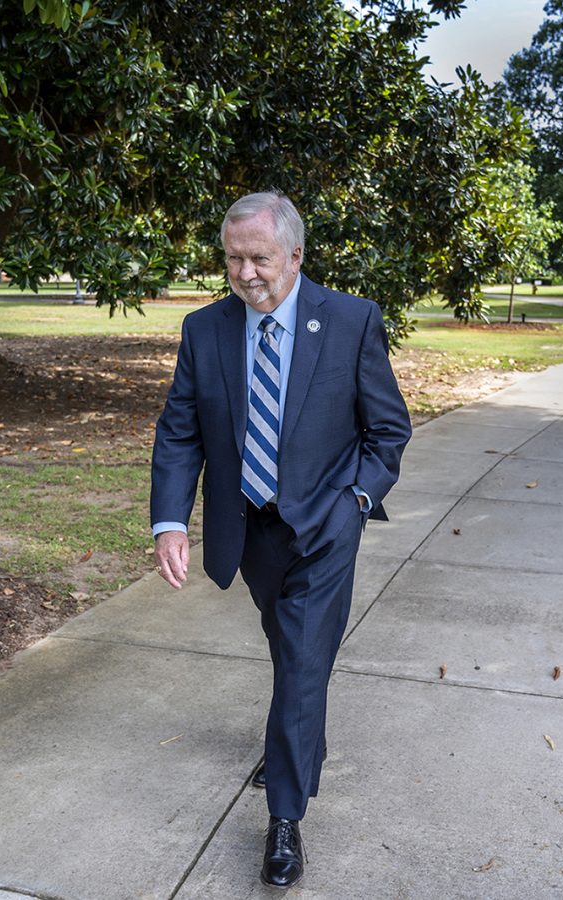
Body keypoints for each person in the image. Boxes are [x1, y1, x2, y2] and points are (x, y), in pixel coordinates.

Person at [150, 190, 411, 888]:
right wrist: (171, 521)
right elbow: (181, 431)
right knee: (292, 647)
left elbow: (388, 430)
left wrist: (356, 500)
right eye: (233, 259)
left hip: (326, 527)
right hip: (250, 529)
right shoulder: (204, 331)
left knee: (299, 659)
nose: (245, 273)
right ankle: (302, 734)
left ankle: (285, 818)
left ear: (295, 255)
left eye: (259, 258)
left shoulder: (351, 321)